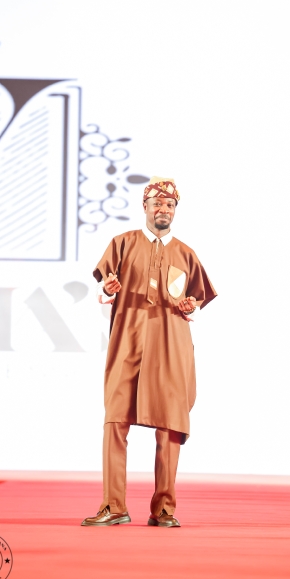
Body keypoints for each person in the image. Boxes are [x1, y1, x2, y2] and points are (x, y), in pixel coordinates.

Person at [81, 177, 217, 528]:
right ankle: (113, 506)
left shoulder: (186, 254)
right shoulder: (122, 244)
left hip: (171, 346)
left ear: (175, 210)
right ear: (145, 207)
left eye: (169, 205)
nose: (163, 210)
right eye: (157, 204)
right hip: (128, 342)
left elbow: (197, 301)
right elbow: (102, 292)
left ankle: (164, 509)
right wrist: (108, 291)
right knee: (115, 420)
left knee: (170, 425)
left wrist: (191, 306)